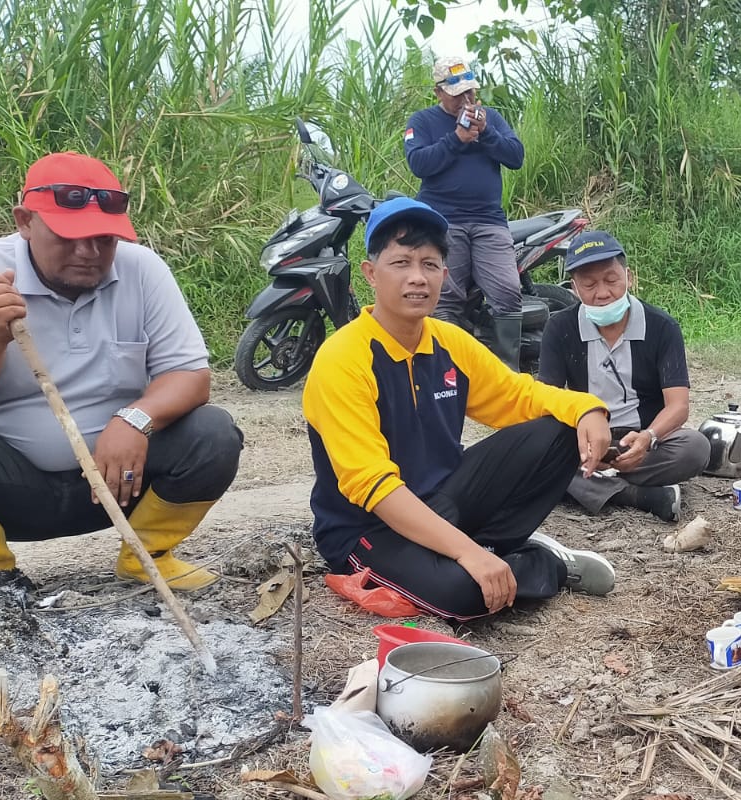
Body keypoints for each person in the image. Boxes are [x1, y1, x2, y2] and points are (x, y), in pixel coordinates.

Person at [0, 152, 242, 589]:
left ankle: (146, 557)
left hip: (115, 485)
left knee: (212, 433)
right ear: (24, 221)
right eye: (68, 237)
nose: (88, 253)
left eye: (103, 240)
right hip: (3, 491)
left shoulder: (142, 270)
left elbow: (190, 376)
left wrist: (134, 419)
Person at [303, 197, 617, 622]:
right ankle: (542, 564)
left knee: (561, 429)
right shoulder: (342, 358)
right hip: (368, 529)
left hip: (443, 500)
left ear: (444, 276)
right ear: (371, 274)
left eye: (430, 265)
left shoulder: (449, 341)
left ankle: (486, 555)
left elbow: (518, 396)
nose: (418, 278)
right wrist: (469, 553)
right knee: (466, 595)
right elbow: (374, 487)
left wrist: (587, 410)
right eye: (402, 263)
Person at [537, 231, 710, 522]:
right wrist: (585, 443)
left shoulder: (662, 327)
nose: (602, 293)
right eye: (589, 284)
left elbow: (678, 405)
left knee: (696, 448)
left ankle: (593, 484)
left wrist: (648, 438)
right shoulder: (560, 328)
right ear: (574, 288)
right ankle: (636, 495)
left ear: (629, 277)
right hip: (584, 439)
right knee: (532, 452)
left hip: (643, 440)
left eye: (611, 280)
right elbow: (546, 399)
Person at [403, 55, 526, 368]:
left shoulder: (491, 118)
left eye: (470, 92)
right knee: (444, 295)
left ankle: (504, 375)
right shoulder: (422, 122)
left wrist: (487, 134)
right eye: (458, 93)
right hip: (443, 222)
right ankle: (449, 370)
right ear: (439, 92)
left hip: (489, 221)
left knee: (508, 291)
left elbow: (515, 157)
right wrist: (456, 139)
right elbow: (420, 164)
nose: (466, 99)